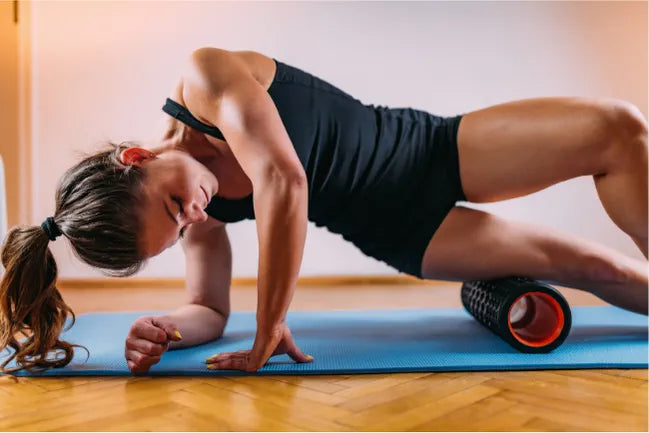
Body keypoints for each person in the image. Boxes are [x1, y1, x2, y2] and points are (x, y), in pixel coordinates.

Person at [1, 47, 647, 374]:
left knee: (618, 129)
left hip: (427, 150)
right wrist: (165, 326)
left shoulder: (205, 79)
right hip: (399, 231)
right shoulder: (206, 213)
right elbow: (210, 308)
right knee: (588, 266)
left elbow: (284, 179)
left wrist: (271, 324)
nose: (193, 217)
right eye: (178, 229)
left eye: (174, 206)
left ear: (138, 156)